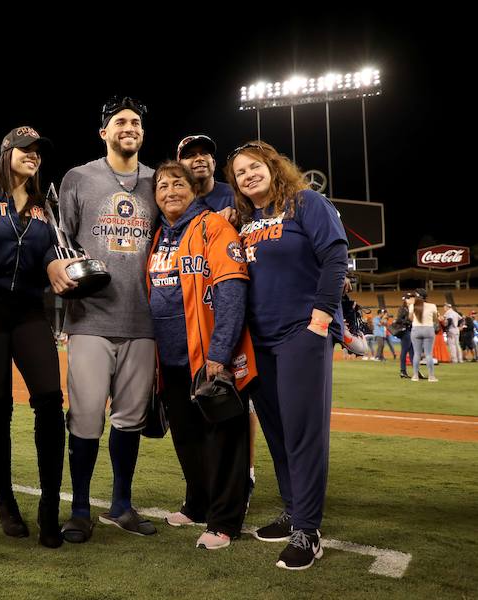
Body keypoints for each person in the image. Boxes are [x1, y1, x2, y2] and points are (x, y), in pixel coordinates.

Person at [228, 141, 348, 570]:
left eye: (254, 167)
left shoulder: (306, 202)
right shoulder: (247, 220)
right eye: (240, 173)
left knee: (303, 430)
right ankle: (294, 510)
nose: (247, 176)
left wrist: (322, 316)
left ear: (272, 167)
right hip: (259, 340)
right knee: (277, 432)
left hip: (301, 330)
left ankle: (308, 531)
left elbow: (335, 255)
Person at [46, 96, 158, 542]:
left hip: (145, 320)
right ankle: (79, 509)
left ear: (142, 133)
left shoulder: (159, 182)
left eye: (135, 122)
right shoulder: (79, 177)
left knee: (130, 418)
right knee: (86, 417)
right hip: (90, 317)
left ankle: (121, 505)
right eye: (119, 122)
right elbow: (61, 243)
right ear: (103, 132)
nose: (128, 127)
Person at [146, 160, 256, 550]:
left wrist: (220, 352)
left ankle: (224, 521)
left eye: (178, 184)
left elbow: (232, 289)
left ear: (194, 190)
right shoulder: (159, 235)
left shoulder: (213, 226)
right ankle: (197, 503)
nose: (170, 191)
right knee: (188, 438)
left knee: (224, 438)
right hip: (172, 360)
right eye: (162, 185)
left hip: (208, 357)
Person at [0, 126, 65, 548]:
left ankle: (49, 507)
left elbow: (52, 249)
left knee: (49, 399)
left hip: (29, 310)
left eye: (38, 152)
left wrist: (52, 265)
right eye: (25, 149)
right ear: (5, 151)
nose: (33, 156)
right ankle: (6, 502)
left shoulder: (46, 207)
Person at [177, 133, 258, 501]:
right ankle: (204, 488)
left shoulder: (233, 193)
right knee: (200, 409)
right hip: (194, 316)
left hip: (237, 301)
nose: (198, 159)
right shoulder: (178, 200)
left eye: (204, 154)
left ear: (214, 161)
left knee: (239, 401)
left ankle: (247, 472)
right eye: (190, 155)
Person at [408, 290, 439, 381]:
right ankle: (431, 376)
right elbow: (435, 319)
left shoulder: (412, 306)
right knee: (428, 354)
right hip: (428, 329)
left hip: (416, 329)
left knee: (417, 354)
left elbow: (410, 318)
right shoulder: (432, 306)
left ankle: (415, 376)